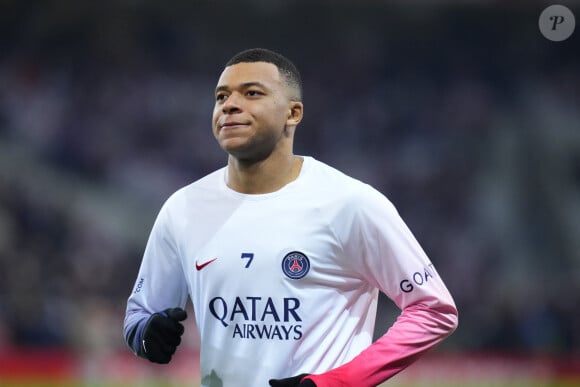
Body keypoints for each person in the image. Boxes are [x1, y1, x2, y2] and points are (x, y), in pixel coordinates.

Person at [123, 48, 458, 387]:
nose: (230, 104)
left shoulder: (350, 203)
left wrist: (335, 383)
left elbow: (434, 309)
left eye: (252, 93)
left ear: (293, 113)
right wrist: (147, 334)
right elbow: (139, 315)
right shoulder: (183, 209)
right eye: (221, 96)